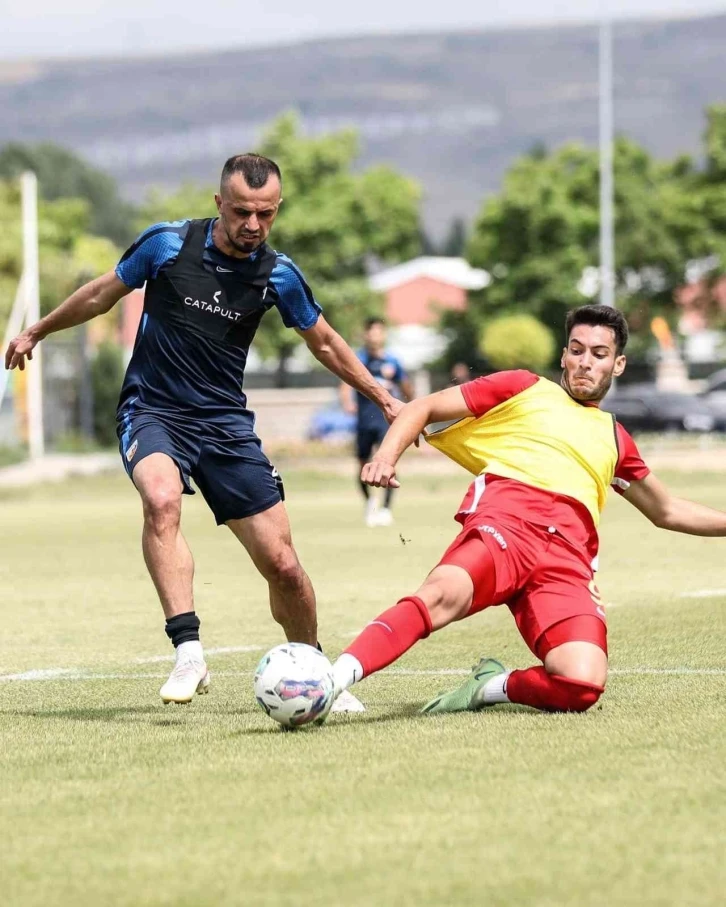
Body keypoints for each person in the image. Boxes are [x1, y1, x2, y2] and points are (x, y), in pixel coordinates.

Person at [4, 153, 403, 709]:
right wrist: (38, 331)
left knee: (284, 566)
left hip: (225, 427)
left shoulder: (279, 274)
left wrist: (382, 396)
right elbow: (100, 294)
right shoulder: (168, 245)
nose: (253, 224)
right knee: (161, 499)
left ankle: (316, 673)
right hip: (153, 411)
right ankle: (188, 651)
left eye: (266, 214)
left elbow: (327, 344)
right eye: (242, 212)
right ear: (219, 203)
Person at [329, 304, 726, 716]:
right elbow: (421, 407)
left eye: (599, 354)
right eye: (577, 350)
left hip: (567, 558)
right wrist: (385, 457)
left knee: (582, 684)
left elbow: (667, 510)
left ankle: (489, 687)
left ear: (618, 364)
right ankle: (329, 682)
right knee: (441, 595)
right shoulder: (524, 386)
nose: (585, 362)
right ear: (564, 356)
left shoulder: (616, 437)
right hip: (506, 527)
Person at [339, 317, 413, 527]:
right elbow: (345, 384)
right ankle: (370, 503)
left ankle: (386, 509)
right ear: (366, 335)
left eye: (379, 331)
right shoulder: (359, 360)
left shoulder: (392, 361)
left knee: (388, 462)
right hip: (364, 421)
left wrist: (412, 406)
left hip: (386, 421)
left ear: (384, 335)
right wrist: (347, 402)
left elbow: (406, 385)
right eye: (371, 332)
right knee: (363, 465)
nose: (375, 336)